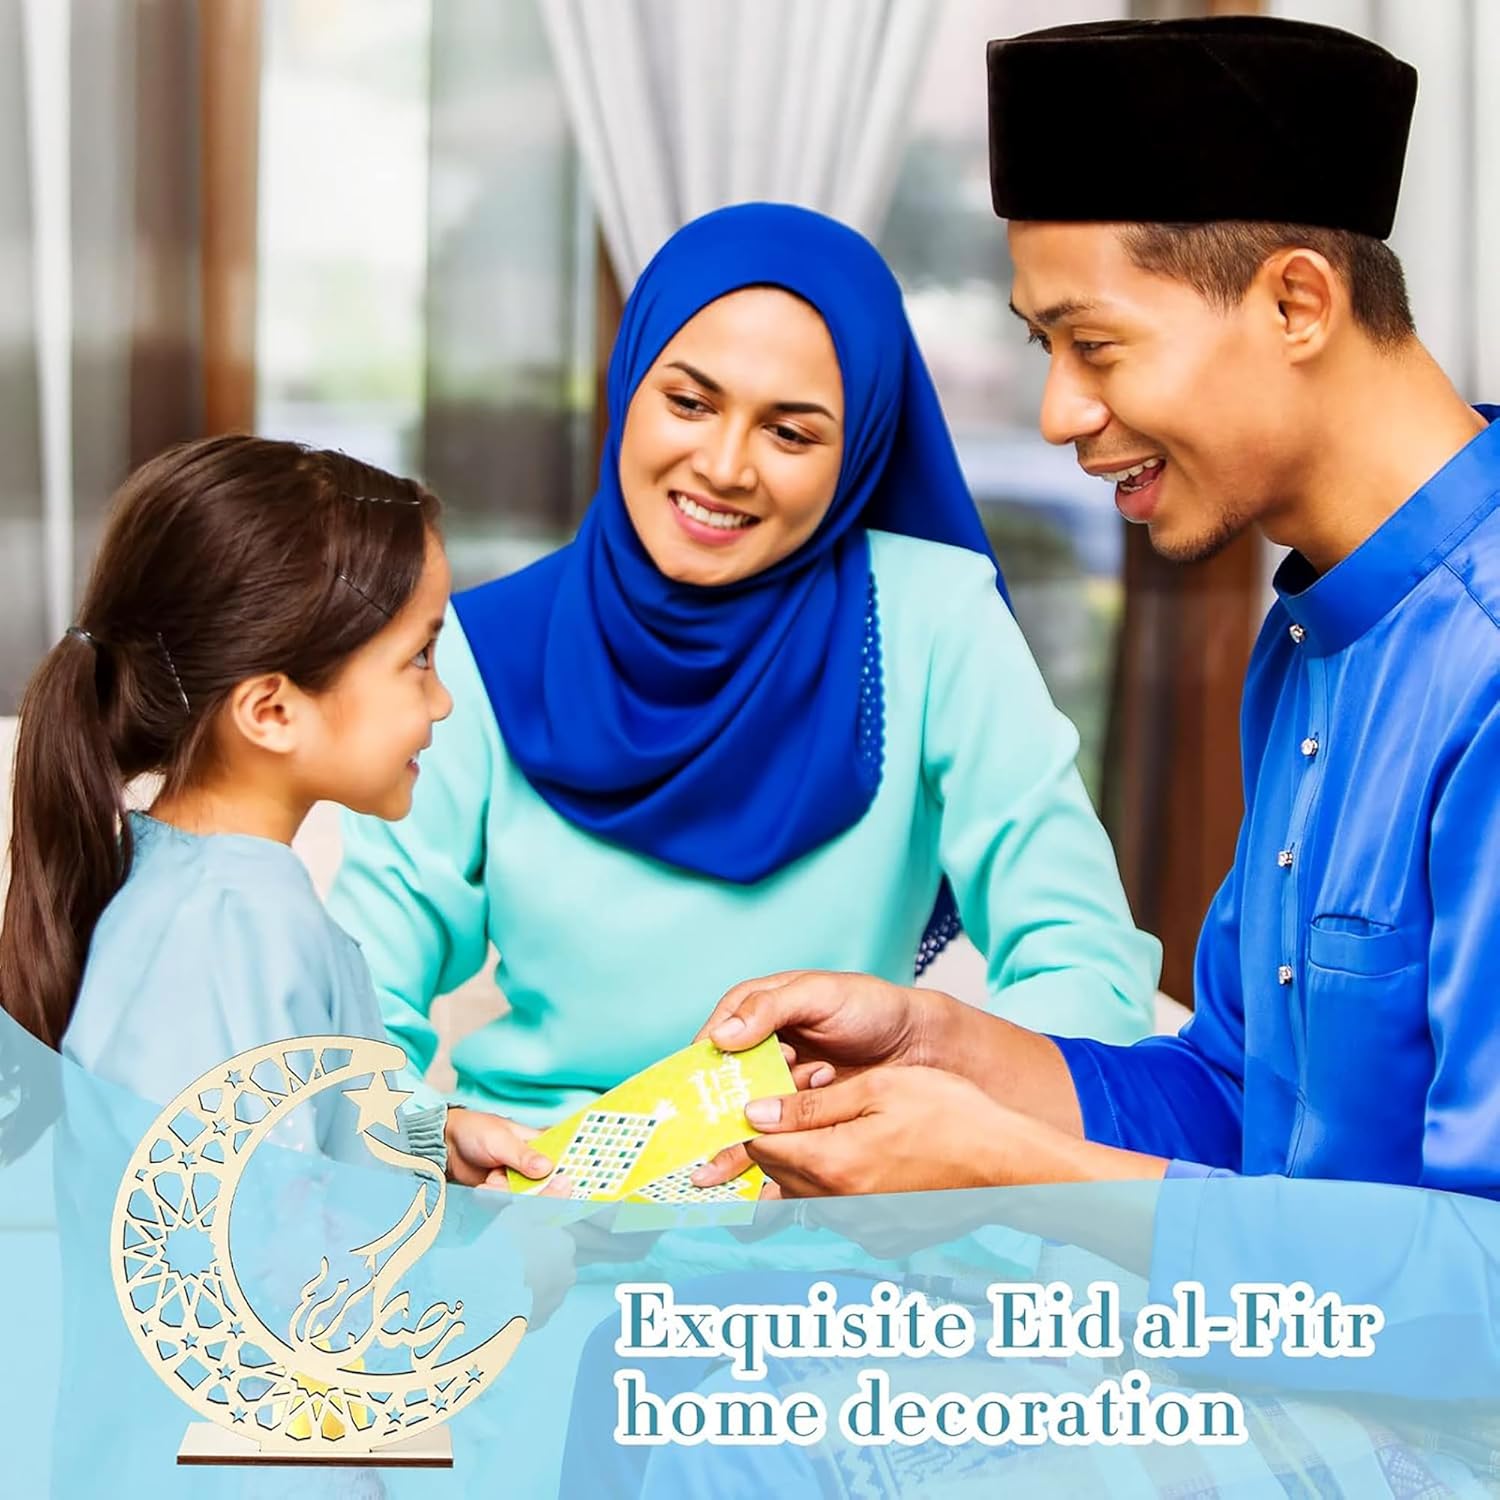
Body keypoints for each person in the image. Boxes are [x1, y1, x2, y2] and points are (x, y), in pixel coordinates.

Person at [693, 17, 1500, 1202]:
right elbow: (1239, 1100)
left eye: (1096, 346)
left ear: (1295, 306)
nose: (1061, 411)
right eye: (1043, 347)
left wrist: (1017, 1169)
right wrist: (952, 1051)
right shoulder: (1310, 639)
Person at [325, 202, 1160, 1133]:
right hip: (539, 1202)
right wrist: (430, 1143)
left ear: (860, 453)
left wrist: (935, 1127)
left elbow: (1080, 960)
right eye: (688, 402)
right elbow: (354, 996)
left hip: (833, 1200)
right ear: (629, 385)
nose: (723, 466)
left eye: (790, 433)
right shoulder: (481, 651)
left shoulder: (934, 621)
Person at [0, 434, 544, 1183]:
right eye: (418, 658)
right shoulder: (232, 929)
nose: (444, 700)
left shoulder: (203, 886)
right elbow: (261, 1270)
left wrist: (429, 1138)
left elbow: (298, 1124)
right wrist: (508, 1273)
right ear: (272, 712)